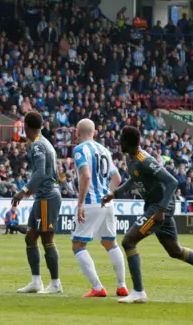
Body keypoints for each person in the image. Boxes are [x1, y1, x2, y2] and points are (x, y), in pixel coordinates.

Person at [101, 126, 193, 303]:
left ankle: (138, 292)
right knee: (175, 250)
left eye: (120, 140)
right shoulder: (132, 160)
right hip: (155, 206)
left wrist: (161, 209)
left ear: (125, 142)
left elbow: (172, 182)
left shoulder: (144, 159)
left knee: (128, 241)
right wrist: (114, 194)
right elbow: (134, 179)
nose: (119, 143)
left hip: (160, 207)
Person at [72, 119, 128, 298]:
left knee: (78, 245)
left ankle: (97, 287)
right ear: (94, 132)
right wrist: (108, 194)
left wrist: (80, 204)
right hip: (107, 203)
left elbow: (86, 177)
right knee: (111, 243)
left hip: (90, 202)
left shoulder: (80, 149)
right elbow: (117, 178)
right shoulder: (104, 150)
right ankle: (122, 286)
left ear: (76, 132)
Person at [11, 111, 62, 294]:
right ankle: (36, 282)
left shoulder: (38, 145)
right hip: (43, 196)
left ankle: (55, 283)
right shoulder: (45, 142)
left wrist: (23, 191)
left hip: (47, 196)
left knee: (47, 237)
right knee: (30, 236)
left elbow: (40, 172)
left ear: (26, 126)